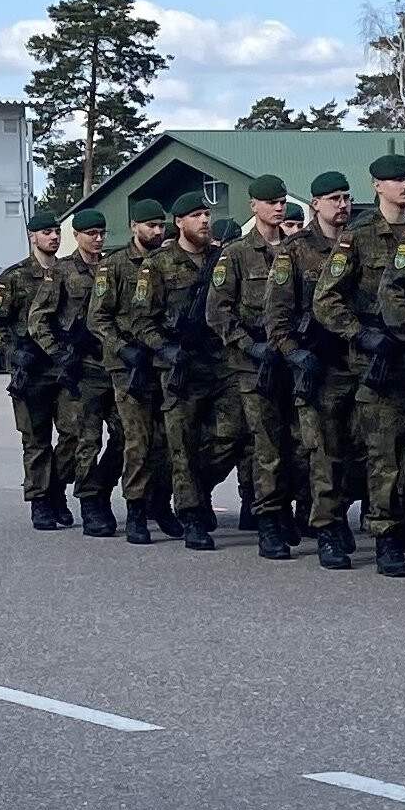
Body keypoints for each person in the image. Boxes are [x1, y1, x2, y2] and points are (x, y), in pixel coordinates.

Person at [315, 155, 405, 576]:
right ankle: (386, 537)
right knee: (383, 455)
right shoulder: (359, 237)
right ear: (377, 186)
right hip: (379, 360)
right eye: (396, 179)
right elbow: (326, 299)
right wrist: (360, 334)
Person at [273, 171, 365, 570]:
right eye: (333, 199)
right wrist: (296, 355)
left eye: (346, 197)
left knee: (362, 450)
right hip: (318, 366)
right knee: (323, 452)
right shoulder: (295, 250)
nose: (342, 205)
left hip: (359, 362)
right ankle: (326, 527)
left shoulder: (360, 242)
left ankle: (339, 514)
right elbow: (277, 317)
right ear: (315, 204)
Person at [208, 176, 299, 558]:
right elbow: (218, 311)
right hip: (253, 368)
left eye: (282, 201)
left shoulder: (296, 249)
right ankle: (268, 521)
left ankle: (287, 510)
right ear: (254, 207)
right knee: (266, 446)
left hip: (293, 362)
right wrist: (249, 345)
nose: (278, 208)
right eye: (271, 202)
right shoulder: (237, 254)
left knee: (298, 443)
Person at [25, 208, 121, 535]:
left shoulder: (114, 267)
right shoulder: (63, 271)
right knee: (83, 440)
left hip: (116, 366)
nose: (98, 239)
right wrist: (59, 354)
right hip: (82, 369)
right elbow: (38, 319)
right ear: (77, 235)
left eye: (102, 233)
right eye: (91, 234)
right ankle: (87, 501)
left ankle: (99, 488)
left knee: (127, 437)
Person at [144, 191, 229, 549]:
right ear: (179, 222)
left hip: (220, 364)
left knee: (233, 434)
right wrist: (165, 348)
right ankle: (191, 515)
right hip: (179, 367)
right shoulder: (158, 264)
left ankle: (194, 487)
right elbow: (141, 319)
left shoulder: (222, 258)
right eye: (196, 215)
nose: (204, 220)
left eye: (207, 214)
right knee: (182, 444)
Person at [99, 197, 182, 543]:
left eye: (161, 225)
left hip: (163, 362)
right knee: (137, 439)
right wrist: (122, 348)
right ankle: (133, 508)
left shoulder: (169, 260)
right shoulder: (115, 265)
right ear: (134, 226)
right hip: (128, 366)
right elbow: (98, 318)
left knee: (167, 440)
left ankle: (159, 503)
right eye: (151, 225)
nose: (157, 231)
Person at [0, 207, 67, 528]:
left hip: (64, 368)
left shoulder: (68, 272)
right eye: (47, 232)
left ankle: (56, 489)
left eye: (57, 232)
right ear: (32, 237)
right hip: (31, 372)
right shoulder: (15, 277)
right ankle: (40, 501)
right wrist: (13, 352)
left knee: (75, 437)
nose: (54, 237)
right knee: (36, 441)